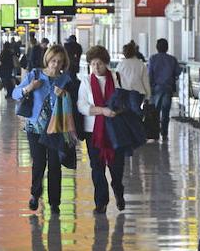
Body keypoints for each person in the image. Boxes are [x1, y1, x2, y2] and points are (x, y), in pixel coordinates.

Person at [12, 44, 79, 214]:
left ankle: (55, 202)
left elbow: (75, 102)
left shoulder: (66, 80)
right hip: (35, 128)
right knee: (39, 163)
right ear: (47, 59)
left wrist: (64, 94)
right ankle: (35, 194)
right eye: (53, 61)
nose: (55, 65)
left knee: (55, 165)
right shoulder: (35, 74)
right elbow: (15, 93)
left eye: (59, 62)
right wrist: (30, 88)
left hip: (56, 128)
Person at [78, 45, 127, 214]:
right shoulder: (86, 81)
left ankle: (118, 190)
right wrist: (102, 111)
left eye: (99, 63)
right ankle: (101, 201)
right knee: (97, 167)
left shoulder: (116, 77)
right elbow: (82, 106)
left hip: (115, 130)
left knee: (116, 166)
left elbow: (125, 100)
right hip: (93, 131)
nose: (96, 67)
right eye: (92, 64)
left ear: (106, 63)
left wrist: (117, 110)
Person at [147, 38, 180, 142]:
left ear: (157, 48)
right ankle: (164, 132)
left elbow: (149, 74)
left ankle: (155, 132)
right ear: (167, 47)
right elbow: (178, 72)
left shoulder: (153, 58)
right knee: (165, 111)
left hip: (156, 88)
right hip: (168, 88)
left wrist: (149, 87)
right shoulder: (172, 59)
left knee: (155, 111)